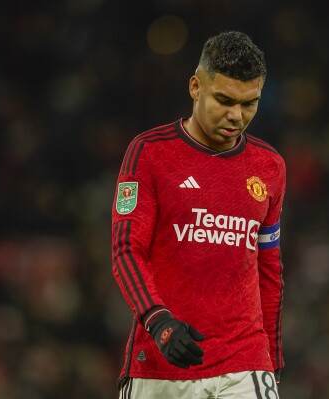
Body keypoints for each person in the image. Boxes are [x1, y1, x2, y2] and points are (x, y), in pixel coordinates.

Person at [111, 31, 286, 399]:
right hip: (160, 362)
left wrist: (272, 358)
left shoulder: (268, 167)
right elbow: (127, 249)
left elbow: (268, 270)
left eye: (249, 104)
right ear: (195, 87)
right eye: (223, 100)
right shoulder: (149, 153)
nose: (236, 116)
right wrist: (159, 322)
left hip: (245, 362)